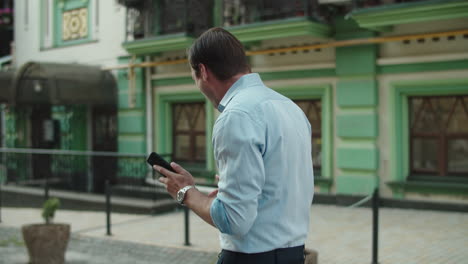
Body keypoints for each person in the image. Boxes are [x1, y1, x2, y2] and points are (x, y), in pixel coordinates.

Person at [154, 27, 314, 264]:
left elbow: (234, 220)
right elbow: (281, 187)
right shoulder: (290, 107)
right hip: (293, 254)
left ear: (203, 71)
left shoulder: (235, 116)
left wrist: (185, 192)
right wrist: (233, 191)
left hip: (252, 257)